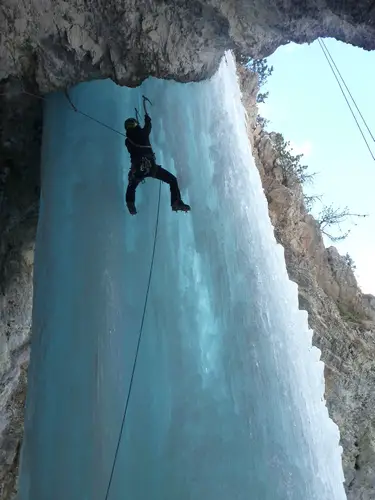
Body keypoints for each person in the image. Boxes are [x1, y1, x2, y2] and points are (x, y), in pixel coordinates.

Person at [124, 113, 191, 215]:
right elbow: (148, 128)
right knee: (172, 180)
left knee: (131, 186)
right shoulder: (141, 133)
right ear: (135, 124)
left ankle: (130, 205)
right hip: (151, 167)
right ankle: (176, 202)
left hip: (138, 169)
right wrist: (148, 119)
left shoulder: (128, 141)